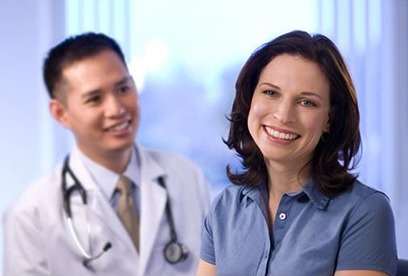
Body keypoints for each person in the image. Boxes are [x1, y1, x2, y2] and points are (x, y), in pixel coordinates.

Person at [3, 32, 210, 276]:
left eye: (123, 88)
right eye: (94, 99)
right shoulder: (32, 215)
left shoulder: (186, 176)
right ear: (61, 113)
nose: (117, 109)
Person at [197, 30, 397, 276]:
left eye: (306, 102)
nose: (283, 115)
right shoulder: (224, 209)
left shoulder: (364, 212)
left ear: (329, 120)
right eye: (271, 92)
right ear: (250, 99)